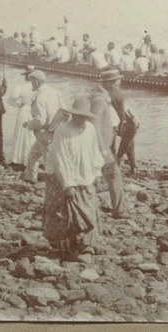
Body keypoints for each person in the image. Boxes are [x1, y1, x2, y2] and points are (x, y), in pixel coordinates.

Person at [43, 98, 104, 259]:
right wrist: (68, 184)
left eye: (84, 116)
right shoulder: (62, 131)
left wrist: (97, 173)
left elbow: (94, 151)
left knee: (88, 212)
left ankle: (84, 244)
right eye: (77, 116)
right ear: (72, 115)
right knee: (64, 214)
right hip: (63, 178)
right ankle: (66, 248)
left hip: (85, 177)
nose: (81, 119)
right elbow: (60, 158)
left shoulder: (89, 129)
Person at [90, 72, 127, 219]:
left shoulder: (101, 95)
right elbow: (95, 123)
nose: (118, 85)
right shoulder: (99, 99)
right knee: (114, 175)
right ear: (108, 83)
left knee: (94, 177)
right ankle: (119, 211)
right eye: (116, 83)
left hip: (102, 144)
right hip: (101, 146)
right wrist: (102, 148)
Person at [23, 70, 65, 183]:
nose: (31, 84)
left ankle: (54, 183)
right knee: (34, 153)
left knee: (49, 160)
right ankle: (30, 178)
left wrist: (28, 125)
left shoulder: (40, 98)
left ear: (36, 81)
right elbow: (64, 110)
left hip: (44, 132)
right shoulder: (55, 92)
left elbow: (40, 121)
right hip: (55, 129)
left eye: (31, 82)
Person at [104, 68, 139, 175]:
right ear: (113, 81)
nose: (120, 81)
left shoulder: (101, 93)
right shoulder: (118, 94)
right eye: (118, 79)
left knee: (112, 147)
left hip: (107, 123)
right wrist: (120, 126)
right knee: (127, 143)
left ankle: (124, 166)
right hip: (120, 123)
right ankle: (128, 167)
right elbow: (121, 113)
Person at [8, 65, 37, 168]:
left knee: (21, 134)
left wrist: (18, 105)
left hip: (24, 111)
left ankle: (18, 158)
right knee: (32, 135)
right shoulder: (37, 89)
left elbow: (10, 100)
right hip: (35, 112)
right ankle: (31, 159)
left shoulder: (21, 87)